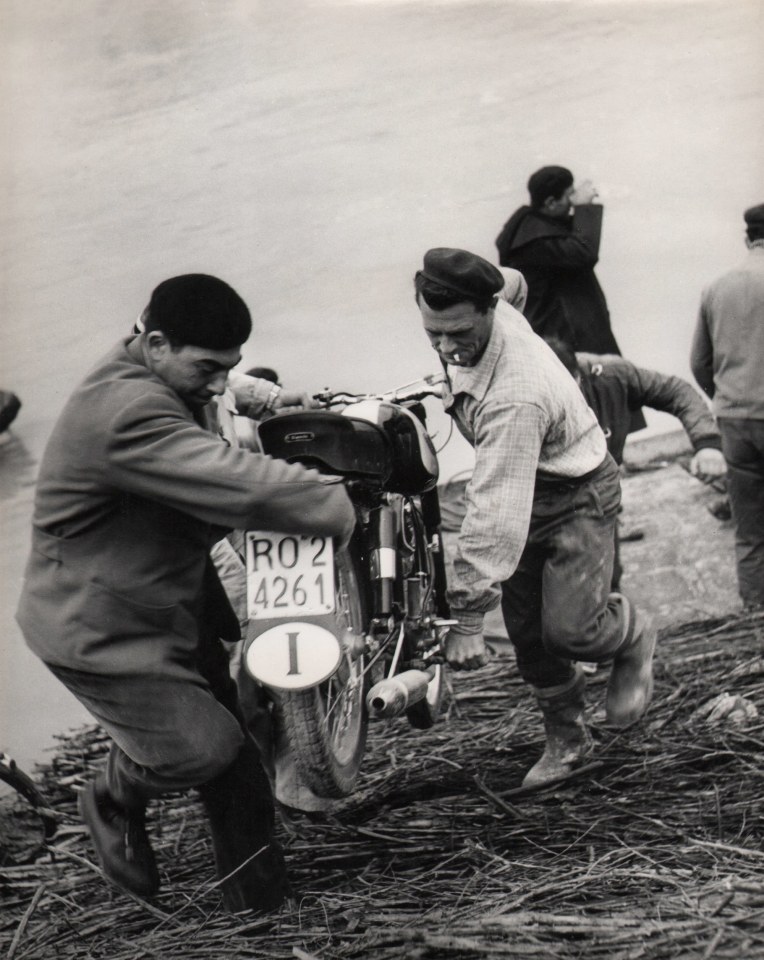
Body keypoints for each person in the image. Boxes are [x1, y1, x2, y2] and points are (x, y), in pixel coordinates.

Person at [15, 274, 355, 912]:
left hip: (171, 597)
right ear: (159, 342)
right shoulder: (127, 413)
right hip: (99, 625)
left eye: (230, 368)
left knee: (241, 761)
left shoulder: (156, 363)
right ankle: (113, 792)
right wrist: (334, 503)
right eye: (209, 369)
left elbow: (224, 391)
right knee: (209, 750)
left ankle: (258, 906)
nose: (220, 384)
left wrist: (266, 397)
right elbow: (242, 486)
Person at [413, 248, 657, 789]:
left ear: (488, 309)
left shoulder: (514, 398)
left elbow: (495, 509)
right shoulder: (500, 296)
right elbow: (517, 281)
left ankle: (633, 632)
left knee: (572, 631)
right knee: (528, 634)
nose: (448, 348)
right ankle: (569, 741)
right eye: (434, 334)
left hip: (578, 492)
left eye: (459, 334)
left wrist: (470, 618)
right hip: (527, 480)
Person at [544, 337, 727, 588]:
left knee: (607, 580)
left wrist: (707, 444)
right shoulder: (518, 399)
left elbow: (676, 391)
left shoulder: (610, 375)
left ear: (578, 377)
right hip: (544, 503)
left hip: (598, 496)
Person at [690, 203, 764, 610]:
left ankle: (755, 614)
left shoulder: (716, 287)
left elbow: (700, 363)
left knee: (750, 531)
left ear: (747, 238)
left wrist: (725, 398)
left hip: (735, 421)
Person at [495, 165, 623, 356]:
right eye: (569, 195)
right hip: (563, 339)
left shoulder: (535, 226)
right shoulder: (535, 242)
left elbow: (578, 242)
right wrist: (584, 208)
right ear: (551, 202)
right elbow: (584, 252)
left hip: (565, 333)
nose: (572, 202)